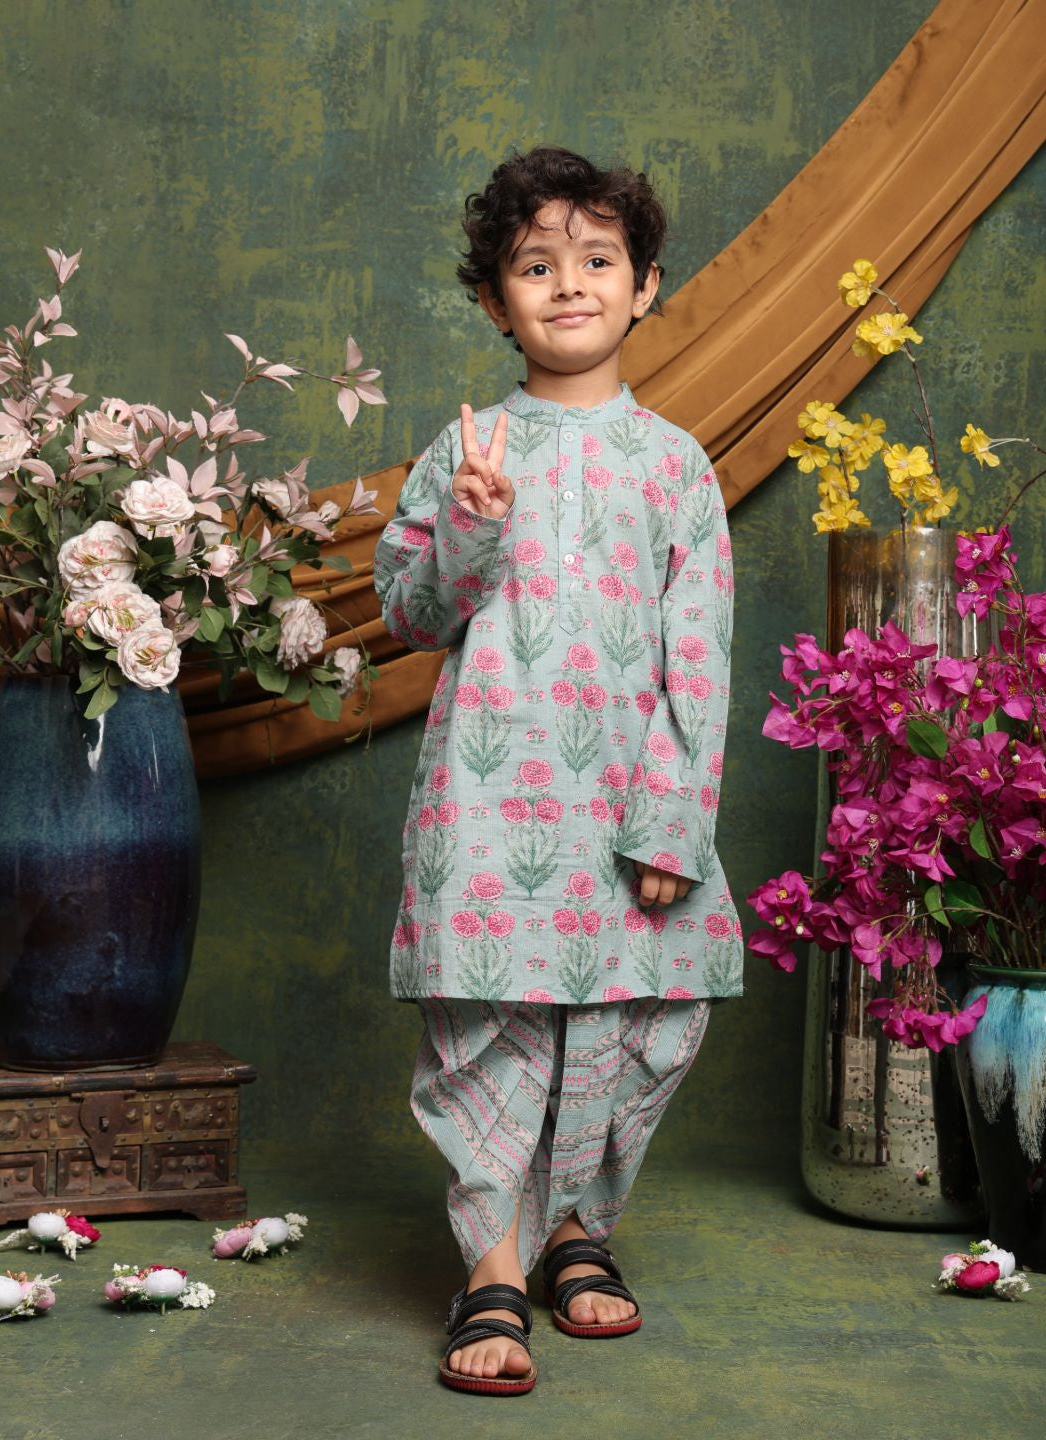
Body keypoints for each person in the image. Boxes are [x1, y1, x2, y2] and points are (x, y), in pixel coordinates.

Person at [373, 145, 743, 1396]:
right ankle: (493, 1261)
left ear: (644, 288)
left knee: (644, 1020)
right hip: (489, 800)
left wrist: (672, 826)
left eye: (597, 261)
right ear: (496, 300)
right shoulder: (464, 449)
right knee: (489, 1026)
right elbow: (413, 614)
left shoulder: (677, 467)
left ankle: (580, 1225)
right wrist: (471, 519)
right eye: (537, 265)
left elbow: (701, 662)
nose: (569, 284)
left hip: (632, 811)